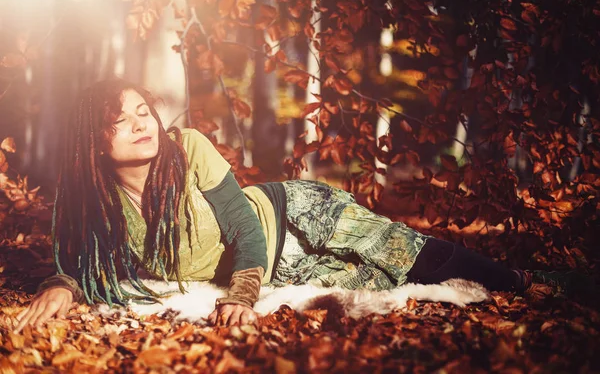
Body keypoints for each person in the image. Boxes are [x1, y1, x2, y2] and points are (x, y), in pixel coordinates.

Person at [13, 79, 573, 333]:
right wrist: (59, 286)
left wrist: (242, 297)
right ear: (93, 141)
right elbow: (75, 261)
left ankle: (528, 281)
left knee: (406, 251)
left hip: (292, 213)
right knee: (379, 282)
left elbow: (243, 232)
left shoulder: (187, 148)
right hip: (286, 265)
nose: (142, 125)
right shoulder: (88, 199)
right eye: (121, 120)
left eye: (143, 111)